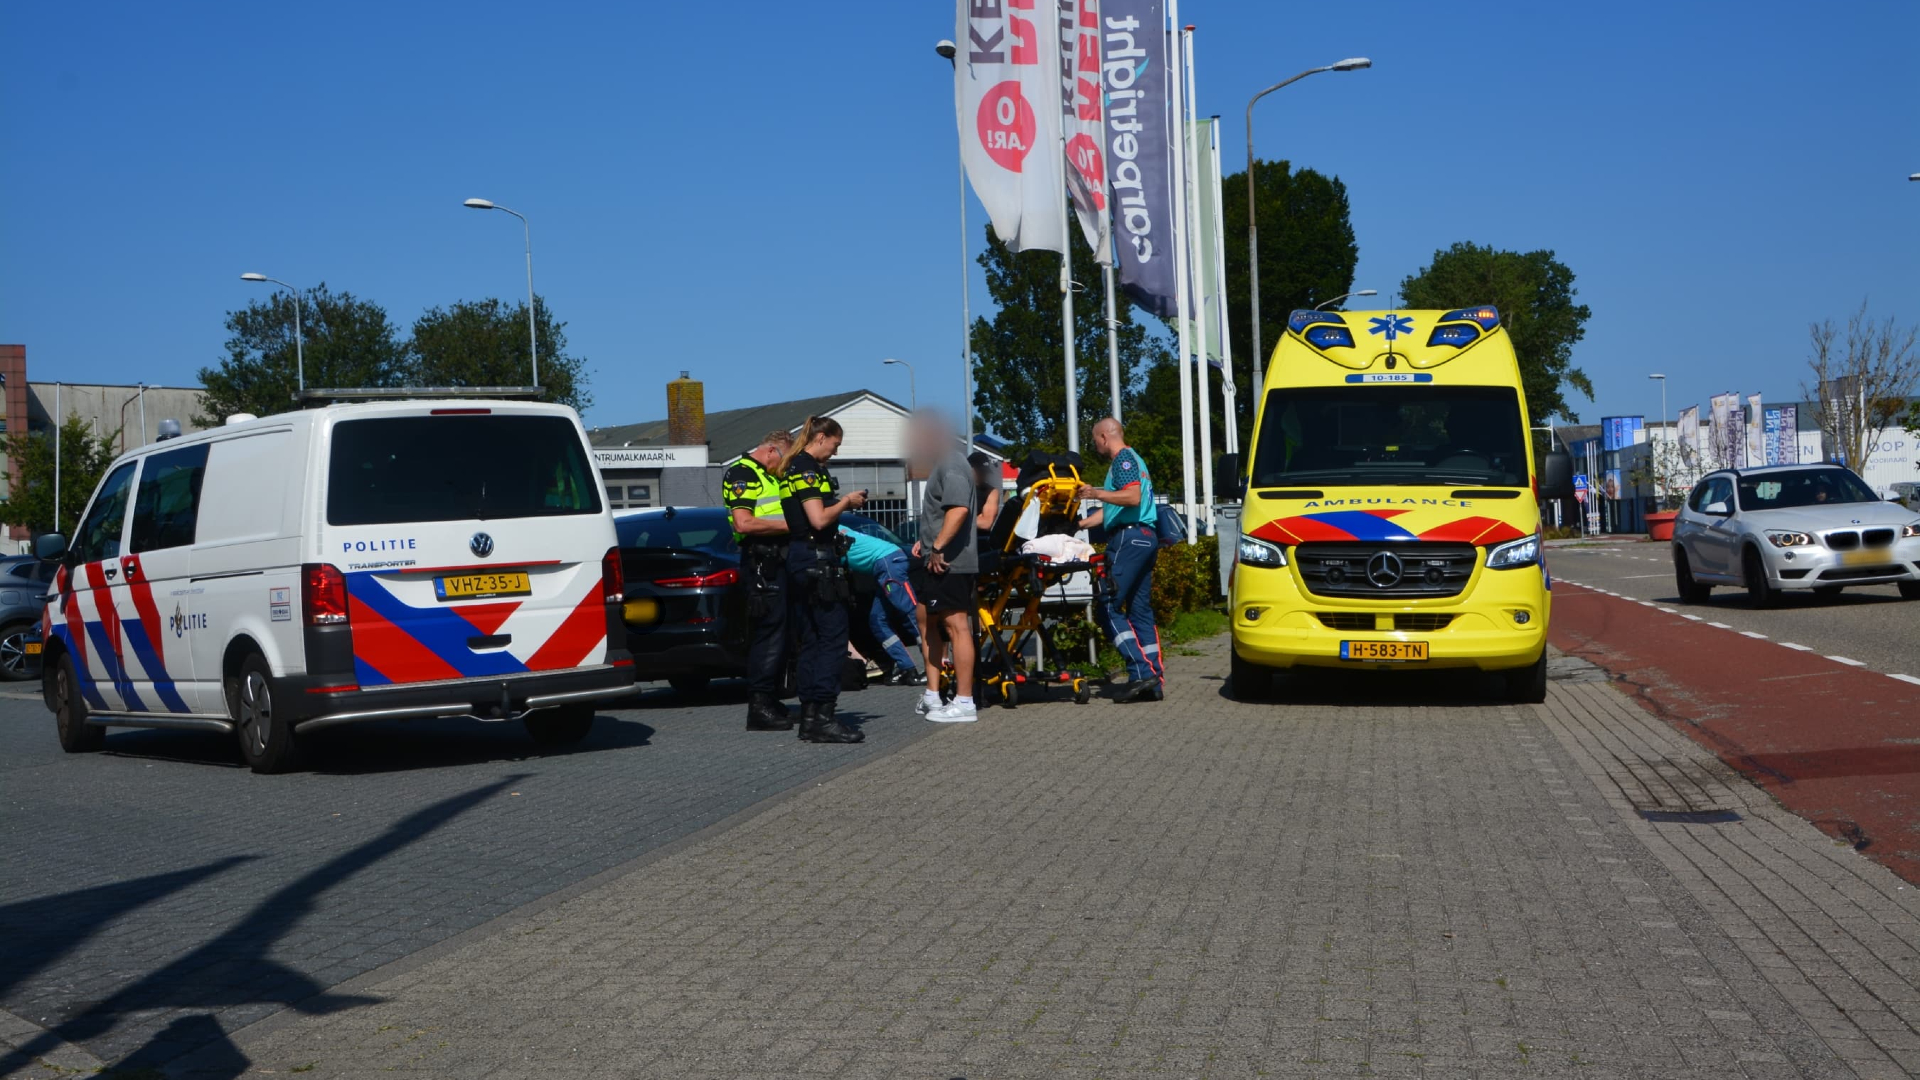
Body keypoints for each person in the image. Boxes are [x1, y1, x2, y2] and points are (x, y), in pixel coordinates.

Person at [778, 416, 867, 743]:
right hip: (816, 561)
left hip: (801, 560)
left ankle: (811, 716)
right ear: (823, 437)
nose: (835, 451)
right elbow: (818, 518)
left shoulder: (793, 466)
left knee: (812, 640)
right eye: (835, 444)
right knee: (832, 638)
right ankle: (824, 717)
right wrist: (845, 502)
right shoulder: (807, 469)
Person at [1077, 417, 1164, 703]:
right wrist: (1082, 524)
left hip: (1129, 539)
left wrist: (1094, 492)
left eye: (1094, 439)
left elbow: (1131, 498)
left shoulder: (1122, 459)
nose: (1094, 445)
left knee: (1107, 606)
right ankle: (1154, 680)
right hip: (1145, 537)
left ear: (1104, 436)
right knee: (1139, 610)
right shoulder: (1136, 459)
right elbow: (1117, 507)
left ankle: (1140, 671)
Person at [909, 411, 980, 722]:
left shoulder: (951, 463)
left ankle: (965, 702)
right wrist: (926, 543)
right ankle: (933, 695)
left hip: (950, 563)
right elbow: (942, 513)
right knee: (930, 624)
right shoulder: (944, 464)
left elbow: (959, 510)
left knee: (957, 627)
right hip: (935, 560)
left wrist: (937, 547)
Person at [722, 430, 796, 731]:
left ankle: (773, 698)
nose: (786, 467)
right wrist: (791, 524)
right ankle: (759, 705)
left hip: (778, 560)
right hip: (761, 562)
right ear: (770, 451)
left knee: (782, 632)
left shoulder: (769, 476)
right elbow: (744, 522)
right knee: (769, 634)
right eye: (785, 459)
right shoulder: (742, 474)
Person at [840, 522, 925, 685]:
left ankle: (934, 668)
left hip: (887, 562)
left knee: (910, 613)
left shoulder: (828, 532)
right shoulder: (838, 527)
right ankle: (907, 667)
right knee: (878, 621)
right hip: (883, 563)